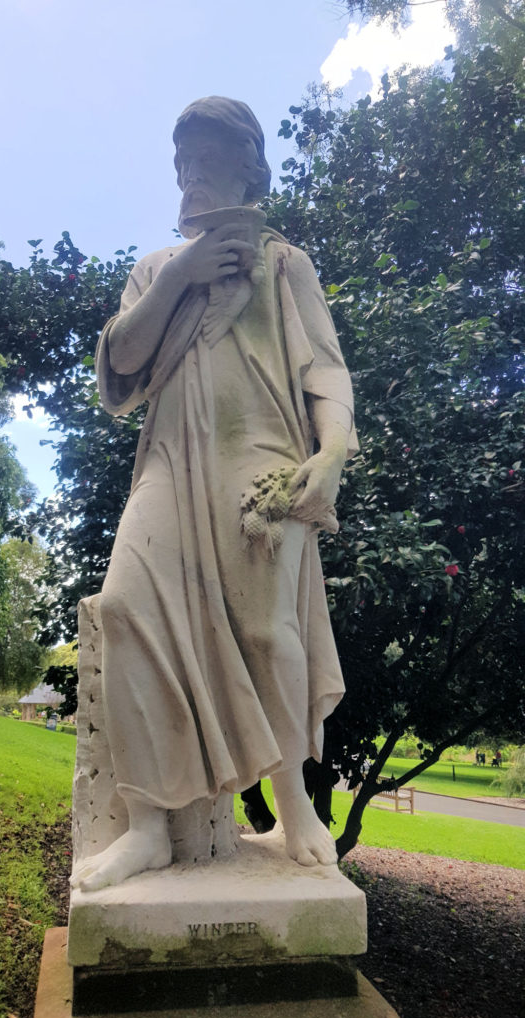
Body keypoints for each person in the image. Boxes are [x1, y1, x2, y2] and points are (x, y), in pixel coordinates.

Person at [71, 97, 357, 892]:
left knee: (270, 630)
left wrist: (331, 451)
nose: (190, 176)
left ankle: (296, 803)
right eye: (181, 164)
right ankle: (151, 826)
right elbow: (120, 366)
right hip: (169, 457)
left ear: (247, 167)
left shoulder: (286, 263)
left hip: (259, 453)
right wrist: (182, 279)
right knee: (126, 604)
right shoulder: (159, 267)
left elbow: (325, 371)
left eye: (204, 160)